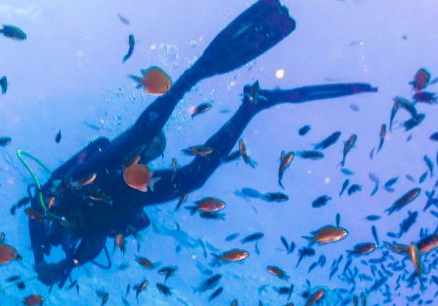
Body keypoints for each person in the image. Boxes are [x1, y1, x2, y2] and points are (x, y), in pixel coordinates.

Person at [27, 0, 377, 285]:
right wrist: (66, 266)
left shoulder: (44, 209)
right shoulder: (79, 241)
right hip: (125, 195)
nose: (60, 236)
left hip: (97, 173)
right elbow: (93, 245)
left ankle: (192, 75)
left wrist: (40, 256)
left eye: (56, 238)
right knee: (193, 179)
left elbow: (35, 212)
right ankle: (251, 107)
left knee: (140, 136)